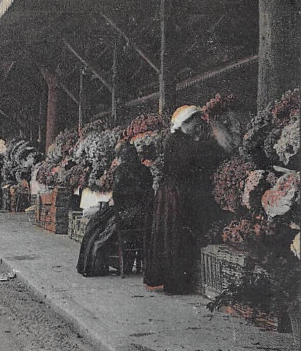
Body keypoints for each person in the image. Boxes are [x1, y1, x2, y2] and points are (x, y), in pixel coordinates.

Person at [143, 105, 225, 294]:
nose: (197, 125)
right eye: (194, 121)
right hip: (175, 194)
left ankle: (175, 281)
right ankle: (175, 283)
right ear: (185, 124)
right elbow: (193, 162)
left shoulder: (181, 140)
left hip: (173, 192)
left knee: (174, 235)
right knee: (174, 236)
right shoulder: (178, 141)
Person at [76, 142, 153, 276]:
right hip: (143, 215)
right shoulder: (145, 170)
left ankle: (92, 264)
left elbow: (117, 195)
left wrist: (113, 202)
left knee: (95, 225)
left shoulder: (121, 171)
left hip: (124, 215)